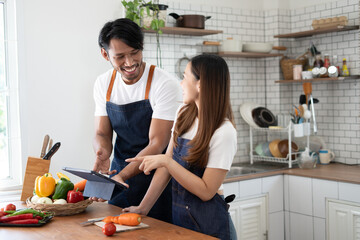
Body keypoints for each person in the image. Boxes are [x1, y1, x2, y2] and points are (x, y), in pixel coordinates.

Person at [124, 54, 238, 240]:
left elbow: (206, 191)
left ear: (200, 84)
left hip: (211, 227)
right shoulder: (183, 114)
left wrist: (167, 162)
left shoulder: (224, 132)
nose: (181, 83)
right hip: (182, 222)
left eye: (185, 77)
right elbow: (165, 168)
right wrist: (143, 208)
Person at [91, 18, 182, 223]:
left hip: (158, 182)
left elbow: (157, 144)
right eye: (120, 56)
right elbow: (102, 133)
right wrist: (102, 152)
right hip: (119, 174)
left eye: (134, 53)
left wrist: (122, 176)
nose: (130, 62)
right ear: (105, 54)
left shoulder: (164, 84)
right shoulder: (104, 84)